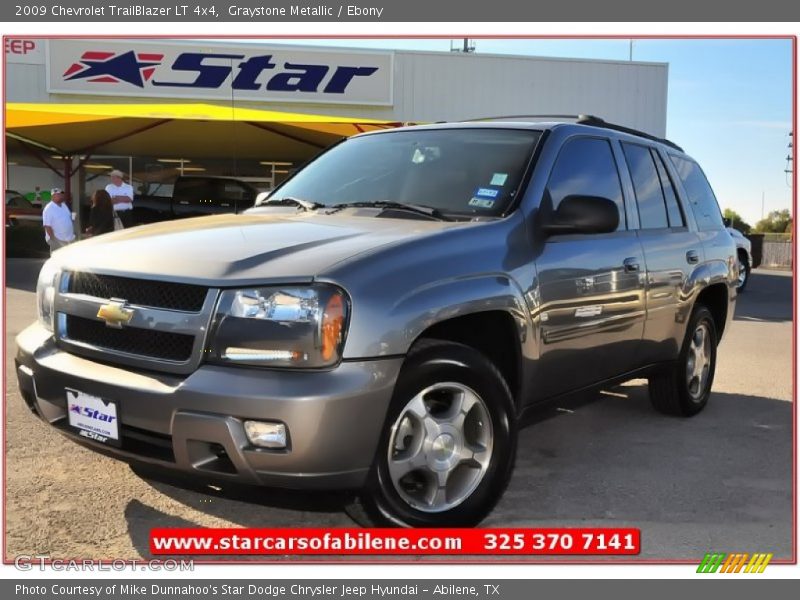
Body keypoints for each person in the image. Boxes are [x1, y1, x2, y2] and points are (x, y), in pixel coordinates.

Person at [42, 188, 75, 254]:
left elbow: (68, 217)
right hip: (58, 240)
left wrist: (73, 217)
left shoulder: (64, 205)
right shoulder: (49, 208)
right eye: (58, 195)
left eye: (61, 194)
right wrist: (54, 240)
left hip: (68, 239)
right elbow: (47, 226)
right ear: (53, 196)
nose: (61, 196)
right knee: (57, 260)